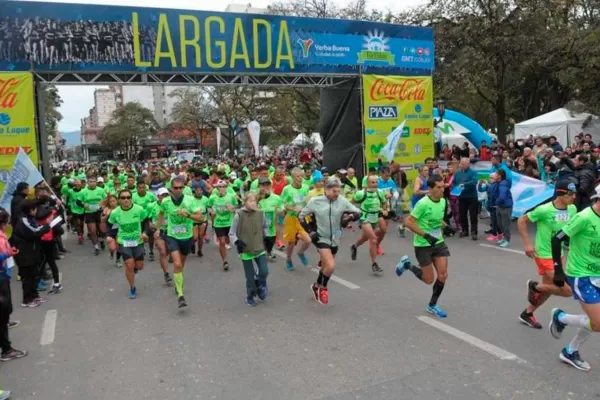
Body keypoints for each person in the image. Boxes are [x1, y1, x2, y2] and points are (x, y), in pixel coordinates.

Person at [548, 184, 600, 371]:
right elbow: (557, 239)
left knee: (595, 320)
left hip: (598, 274)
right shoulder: (584, 217)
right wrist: (558, 269)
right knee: (598, 323)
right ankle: (561, 317)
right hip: (581, 275)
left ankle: (570, 350)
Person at [517, 181, 576, 329]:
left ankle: (527, 313)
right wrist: (528, 244)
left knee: (548, 288)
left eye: (575, 193)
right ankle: (535, 286)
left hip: (558, 254)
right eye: (570, 193)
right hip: (543, 254)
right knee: (567, 290)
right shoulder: (544, 210)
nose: (574, 197)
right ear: (560, 193)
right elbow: (522, 220)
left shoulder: (573, 209)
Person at [396, 174, 451, 318]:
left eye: (443, 186)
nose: (442, 190)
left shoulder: (443, 202)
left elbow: (437, 220)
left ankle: (432, 305)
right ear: (430, 189)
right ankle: (407, 265)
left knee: (443, 275)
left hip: (438, 242)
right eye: (438, 187)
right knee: (428, 280)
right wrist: (426, 236)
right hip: (423, 245)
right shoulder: (423, 204)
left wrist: (447, 226)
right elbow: (408, 222)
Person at [300, 178, 360, 305]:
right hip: (320, 237)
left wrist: (349, 217)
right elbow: (301, 216)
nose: (337, 193)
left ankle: (316, 285)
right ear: (326, 190)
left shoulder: (342, 201)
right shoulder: (315, 201)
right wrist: (310, 231)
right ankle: (323, 288)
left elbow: (357, 212)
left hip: (335, 238)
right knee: (331, 266)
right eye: (334, 191)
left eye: (338, 191)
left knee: (326, 266)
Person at [158, 177, 204, 308]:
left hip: (187, 236)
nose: (178, 190)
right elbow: (161, 214)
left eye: (181, 188)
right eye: (176, 188)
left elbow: (201, 217)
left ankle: (178, 281)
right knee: (177, 263)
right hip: (172, 236)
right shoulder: (165, 201)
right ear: (171, 188)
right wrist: (158, 228)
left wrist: (188, 215)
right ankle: (181, 295)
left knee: (181, 265)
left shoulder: (190, 201)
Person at [229, 193, 270, 307]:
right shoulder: (239, 215)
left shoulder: (261, 213)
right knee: (250, 277)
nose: (253, 203)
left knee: (264, 271)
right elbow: (231, 233)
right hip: (245, 250)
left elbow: (265, 227)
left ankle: (259, 285)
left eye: (254, 201)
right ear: (245, 202)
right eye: (250, 201)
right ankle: (250, 296)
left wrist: (267, 238)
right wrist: (237, 242)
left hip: (259, 247)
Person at [107, 189, 148, 299]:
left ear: (131, 198)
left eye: (128, 197)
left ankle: (135, 268)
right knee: (129, 264)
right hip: (123, 242)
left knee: (140, 266)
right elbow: (111, 225)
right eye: (123, 198)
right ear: (119, 200)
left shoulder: (139, 209)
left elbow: (146, 221)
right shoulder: (115, 213)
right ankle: (132, 287)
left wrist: (144, 232)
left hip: (138, 241)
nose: (126, 200)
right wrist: (110, 237)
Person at [11, 199, 51, 307]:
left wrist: (45, 226)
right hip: (25, 253)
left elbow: (36, 228)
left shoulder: (29, 219)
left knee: (34, 275)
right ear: (30, 210)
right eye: (35, 209)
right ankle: (27, 300)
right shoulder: (23, 220)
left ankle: (35, 296)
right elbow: (35, 232)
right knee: (27, 277)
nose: (36, 210)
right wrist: (47, 225)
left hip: (32, 251)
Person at [0, 208, 27, 365]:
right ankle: (6, 350)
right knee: (3, 311)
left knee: (5, 311)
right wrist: (7, 254)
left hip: (4, 274)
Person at [350, 175, 388, 273]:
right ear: (367, 184)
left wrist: (384, 210)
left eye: (376, 182)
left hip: (375, 217)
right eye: (372, 182)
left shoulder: (380, 192)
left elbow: (384, 203)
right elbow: (351, 202)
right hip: (364, 218)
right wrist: (354, 212)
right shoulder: (361, 194)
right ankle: (374, 264)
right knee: (373, 239)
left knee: (364, 238)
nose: (375, 184)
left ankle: (354, 246)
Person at [280, 168, 312, 271]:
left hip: (303, 217)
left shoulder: (306, 187)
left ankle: (300, 253)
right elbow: (282, 203)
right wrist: (293, 208)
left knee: (308, 240)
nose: (300, 178)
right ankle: (288, 259)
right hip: (291, 218)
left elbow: (308, 201)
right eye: (298, 176)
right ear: (293, 178)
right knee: (291, 243)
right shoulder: (287, 189)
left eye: (301, 176)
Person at [207, 180, 238, 271]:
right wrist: (211, 212)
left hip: (229, 223)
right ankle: (225, 261)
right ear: (217, 188)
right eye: (219, 187)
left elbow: (236, 207)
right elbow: (209, 207)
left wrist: (231, 208)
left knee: (228, 240)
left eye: (223, 186)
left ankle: (228, 242)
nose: (221, 188)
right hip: (218, 223)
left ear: (226, 187)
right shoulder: (213, 198)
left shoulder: (231, 197)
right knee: (222, 241)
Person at [257, 177, 283, 261]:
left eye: (268, 185)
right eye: (263, 185)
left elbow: (282, 213)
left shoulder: (276, 198)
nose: (266, 187)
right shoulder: (255, 198)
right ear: (259, 187)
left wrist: (282, 211)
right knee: (262, 252)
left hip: (271, 229)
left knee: (269, 247)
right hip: (258, 230)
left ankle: (269, 251)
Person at [150, 188, 172, 283]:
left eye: (166, 195)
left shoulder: (171, 205)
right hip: (158, 231)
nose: (164, 197)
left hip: (170, 231)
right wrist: (150, 224)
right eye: (162, 195)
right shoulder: (152, 206)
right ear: (158, 196)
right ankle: (166, 273)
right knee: (163, 252)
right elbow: (148, 217)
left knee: (167, 252)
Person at [452, 158, 478, 240]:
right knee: (462, 215)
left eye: (463, 164)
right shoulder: (457, 173)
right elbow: (454, 183)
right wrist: (455, 188)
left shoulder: (473, 172)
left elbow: (474, 182)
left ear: (468, 164)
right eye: (461, 163)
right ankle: (465, 230)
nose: (461, 165)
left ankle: (474, 232)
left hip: (472, 197)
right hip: (462, 197)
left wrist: (464, 184)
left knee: (473, 215)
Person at [82, 176, 107, 255]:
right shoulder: (83, 191)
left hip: (99, 212)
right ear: (87, 183)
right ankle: (96, 247)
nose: (92, 183)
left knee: (102, 230)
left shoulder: (101, 190)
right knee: (93, 231)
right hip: (89, 212)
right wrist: (83, 204)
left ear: (96, 182)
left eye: (93, 181)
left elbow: (106, 199)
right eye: (90, 181)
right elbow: (78, 202)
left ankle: (101, 240)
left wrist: (102, 205)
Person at [495, 169, 513, 248]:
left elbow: (502, 196)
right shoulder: (498, 183)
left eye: (496, 174)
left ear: (499, 176)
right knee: (500, 223)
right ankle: (504, 238)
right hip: (500, 206)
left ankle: (507, 240)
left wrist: (496, 202)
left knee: (505, 224)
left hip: (505, 207)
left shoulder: (503, 184)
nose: (494, 176)